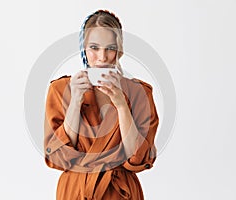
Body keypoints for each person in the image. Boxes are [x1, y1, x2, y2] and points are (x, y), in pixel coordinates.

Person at [44, 9, 159, 200]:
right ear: (83, 49)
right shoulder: (60, 89)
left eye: (110, 48)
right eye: (94, 48)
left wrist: (122, 105)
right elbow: (57, 157)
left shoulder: (140, 93)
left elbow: (139, 158)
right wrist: (75, 102)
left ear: (119, 50)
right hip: (76, 191)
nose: (103, 57)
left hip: (121, 192)